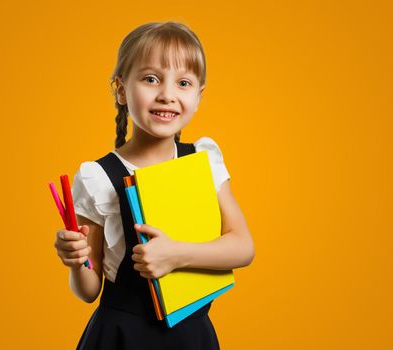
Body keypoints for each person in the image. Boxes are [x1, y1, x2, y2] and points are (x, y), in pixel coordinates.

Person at [54, 21, 255, 350]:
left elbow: (243, 247)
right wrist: (77, 261)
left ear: (198, 96)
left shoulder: (204, 159)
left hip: (193, 337)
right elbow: (89, 291)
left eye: (184, 83)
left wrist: (176, 255)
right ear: (121, 89)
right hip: (122, 337)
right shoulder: (97, 177)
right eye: (151, 79)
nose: (167, 95)